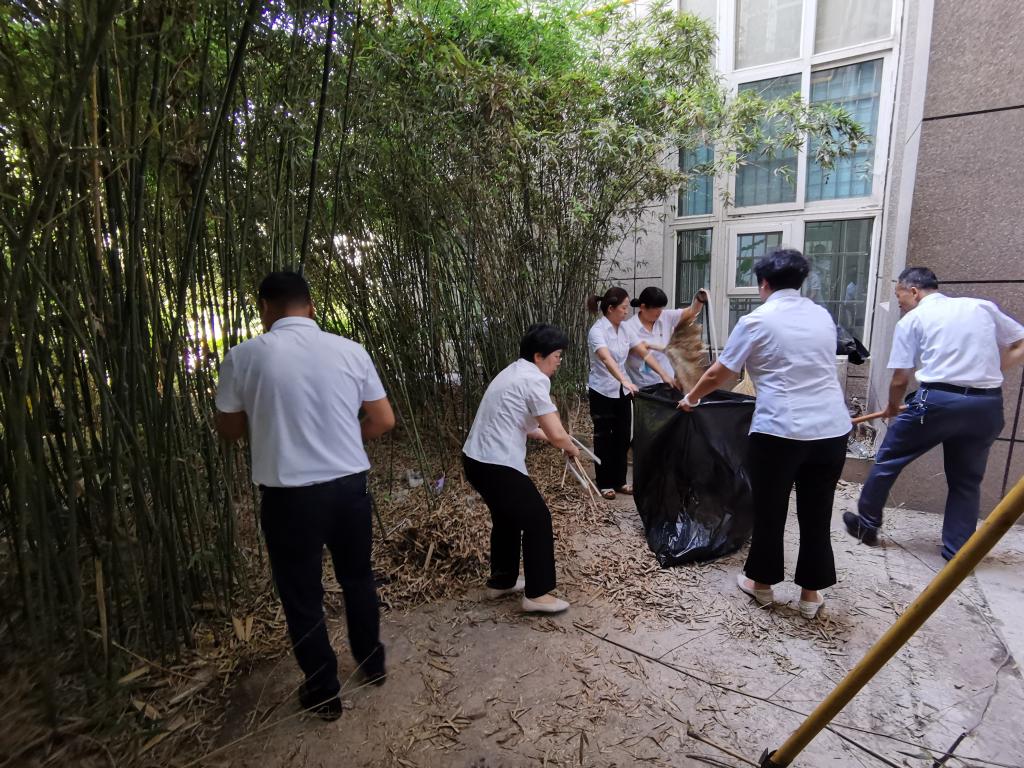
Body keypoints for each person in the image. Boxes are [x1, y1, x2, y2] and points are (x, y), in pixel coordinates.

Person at [215, 271, 395, 720]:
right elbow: (383, 419)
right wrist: (347, 439)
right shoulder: (350, 350)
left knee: (302, 594)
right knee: (358, 578)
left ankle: (324, 690)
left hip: (289, 498)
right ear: (311, 307)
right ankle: (372, 663)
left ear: (264, 308)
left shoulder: (243, 356)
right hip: (349, 488)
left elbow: (230, 430)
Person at [679, 249, 851, 619]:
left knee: (771, 510)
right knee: (817, 512)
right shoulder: (821, 315)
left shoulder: (757, 320)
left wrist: (692, 398)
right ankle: (811, 594)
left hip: (780, 431)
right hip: (831, 431)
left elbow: (721, 372)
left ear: (764, 284)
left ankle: (761, 583)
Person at [844, 267, 1024, 560]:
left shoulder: (913, 320)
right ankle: (958, 553)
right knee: (966, 480)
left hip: (937, 402)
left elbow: (900, 378)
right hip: (986, 405)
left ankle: (867, 525)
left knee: (889, 458)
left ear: (914, 291)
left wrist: (892, 408)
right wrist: (988, 371)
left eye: (899, 296)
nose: (899, 304)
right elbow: (1020, 342)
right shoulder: (981, 307)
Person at [462, 325, 581, 614]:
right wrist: (570, 447)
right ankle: (537, 594)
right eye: (557, 355)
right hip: (496, 463)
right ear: (539, 356)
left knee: (507, 518)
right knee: (538, 518)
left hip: (476, 460)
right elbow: (556, 433)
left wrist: (556, 438)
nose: (559, 361)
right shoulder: (534, 380)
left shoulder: (513, 372)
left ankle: (501, 581)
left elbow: (524, 424)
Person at [586, 287, 674, 500]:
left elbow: (644, 353)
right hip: (602, 390)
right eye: (624, 308)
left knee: (624, 436)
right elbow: (606, 359)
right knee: (604, 437)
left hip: (622, 391)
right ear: (611, 308)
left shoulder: (625, 329)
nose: (627, 312)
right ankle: (605, 482)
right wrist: (624, 380)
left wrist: (664, 374)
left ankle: (620, 480)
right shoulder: (597, 331)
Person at [622, 286, 708, 389]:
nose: (660, 312)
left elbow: (692, 312)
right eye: (656, 308)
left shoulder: (665, 316)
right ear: (643, 307)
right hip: (644, 386)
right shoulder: (629, 327)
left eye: (661, 308)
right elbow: (632, 353)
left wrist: (699, 300)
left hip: (668, 382)